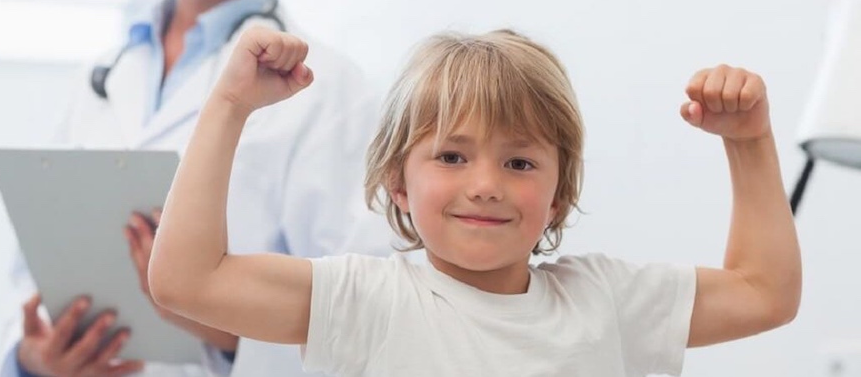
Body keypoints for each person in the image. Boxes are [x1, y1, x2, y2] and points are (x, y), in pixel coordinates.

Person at [148, 26, 802, 376]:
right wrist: (230, 105)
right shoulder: (368, 299)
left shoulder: (604, 300)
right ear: (398, 180)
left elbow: (765, 291)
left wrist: (750, 143)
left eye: (519, 161)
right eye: (452, 156)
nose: (484, 183)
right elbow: (187, 280)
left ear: (558, 193)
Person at [0, 0, 391, 376]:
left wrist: (224, 334)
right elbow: (30, 275)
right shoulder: (102, 78)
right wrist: (30, 359)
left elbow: (363, 310)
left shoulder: (327, 87)